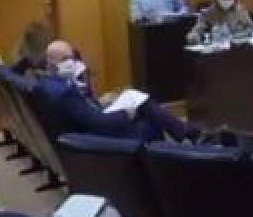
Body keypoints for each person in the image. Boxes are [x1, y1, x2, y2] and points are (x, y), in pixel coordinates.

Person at [34, 40, 198, 143]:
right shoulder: (64, 92)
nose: (70, 62)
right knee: (149, 119)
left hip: (89, 128)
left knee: (139, 101)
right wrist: (126, 114)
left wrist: (103, 102)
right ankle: (187, 135)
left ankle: (187, 133)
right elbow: (97, 122)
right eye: (64, 59)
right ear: (50, 63)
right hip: (95, 139)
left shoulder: (50, 84)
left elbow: (84, 111)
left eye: (71, 58)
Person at [186, 0, 253, 44]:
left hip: (237, 46)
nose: (226, 0)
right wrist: (193, 36)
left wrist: (238, 35)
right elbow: (196, 30)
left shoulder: (240, 10)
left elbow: (251, 28)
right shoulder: (207, 13)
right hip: (216, 47)